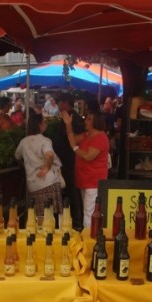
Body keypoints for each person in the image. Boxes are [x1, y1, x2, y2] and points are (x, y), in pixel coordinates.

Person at [62, 107, 108, 227]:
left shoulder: (100, 137)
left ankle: (88, 236)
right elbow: (72, 138)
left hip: (94, 182)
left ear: (96, 122)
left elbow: (88, 156)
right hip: (85, 180)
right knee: (87, 211)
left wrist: (75, 148)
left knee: (89, 213)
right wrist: (68, 124)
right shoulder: (87, 135)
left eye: (89, 119)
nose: (85, 121)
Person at [15, 113, 63, 219]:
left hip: (33, 183)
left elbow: (17, 156)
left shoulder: (23, 142)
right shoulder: (45, 140)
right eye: (44, 122)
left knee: (38, 217)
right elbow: (49, 155)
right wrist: (47, 167)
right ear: (39, 125)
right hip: (48, 181)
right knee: (52, 216)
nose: (46, 124)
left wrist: (25, 166)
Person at [51, 93, 85, 229]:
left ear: (65, 102)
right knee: (72, 191)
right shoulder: (68, 117)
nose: (58, 104)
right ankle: (75, 219)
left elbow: (74, 139)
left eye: (59, 101)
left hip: (70, 159)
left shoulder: (73, 118)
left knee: (73, 190)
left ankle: (77, 222)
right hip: (66, 159)